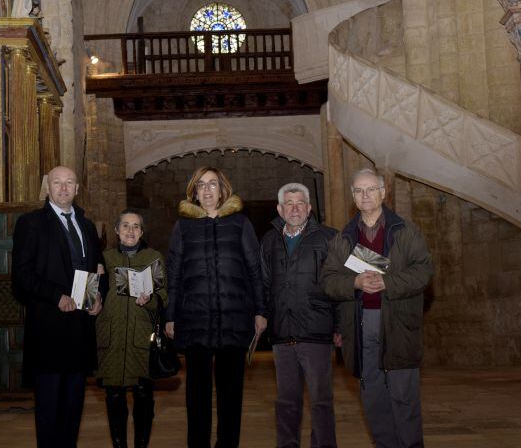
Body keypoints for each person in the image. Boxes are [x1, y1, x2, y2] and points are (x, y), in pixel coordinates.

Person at [321, 168, 433, 448]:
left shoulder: (405, 231)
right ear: (352, 196)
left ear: (383, 193)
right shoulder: (344, 238)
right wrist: (355, 281)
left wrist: (388, 282)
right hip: (360, 324)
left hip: (397, 323)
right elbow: (327, 279)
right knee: (372, 397)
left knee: (403, 397)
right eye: (358, 190)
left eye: (371, 189)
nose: (365, 195)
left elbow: (424, 271)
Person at [164, 166, 267, 448]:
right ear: (194, 193)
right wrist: (170, 315)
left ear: (223, 190)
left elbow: (254, 270)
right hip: (194, 318)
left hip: (234, 318)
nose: (207, 190)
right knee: (197, 394)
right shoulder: (183, 226)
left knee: (230, 393)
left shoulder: (240, 224)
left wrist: (260, 311)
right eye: (201, 185)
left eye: (212, 184)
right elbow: (173, 273)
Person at [11, 166, 105, 448]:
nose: (63, 188)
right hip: (49, 330)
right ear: (47, 188)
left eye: (69, 183)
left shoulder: (87, 226)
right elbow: (22, 275)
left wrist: (99, 297)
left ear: (77, 189)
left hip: (80, 331)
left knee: (73, 408)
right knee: (50, 410)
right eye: (57, 183)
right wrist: (56, 296)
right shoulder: (31, 223)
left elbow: (99, 269)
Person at [260, 183, 339, 448]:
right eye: (289, 204)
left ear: (309, 208)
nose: (295, 208)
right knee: (286, 401)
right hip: (283, 333)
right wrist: (262, 315)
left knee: (321, 401)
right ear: (280, 209)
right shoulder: (269, 240)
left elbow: (345, 284)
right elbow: (263, 282)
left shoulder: (330, 238)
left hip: (316, 331)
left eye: (300, 203)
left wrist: (340, 326)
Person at [96, 209, 168, 448]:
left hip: (141, 337)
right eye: (125, 225)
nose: (130, 230)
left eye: (135, 226)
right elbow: (91, 294)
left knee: (143, 395)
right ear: (116, 230)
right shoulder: (104, 258)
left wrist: (151, 299)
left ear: (141, 231)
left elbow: (162, 295)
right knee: (114, 395)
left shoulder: (152, 257)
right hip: (112, 336)